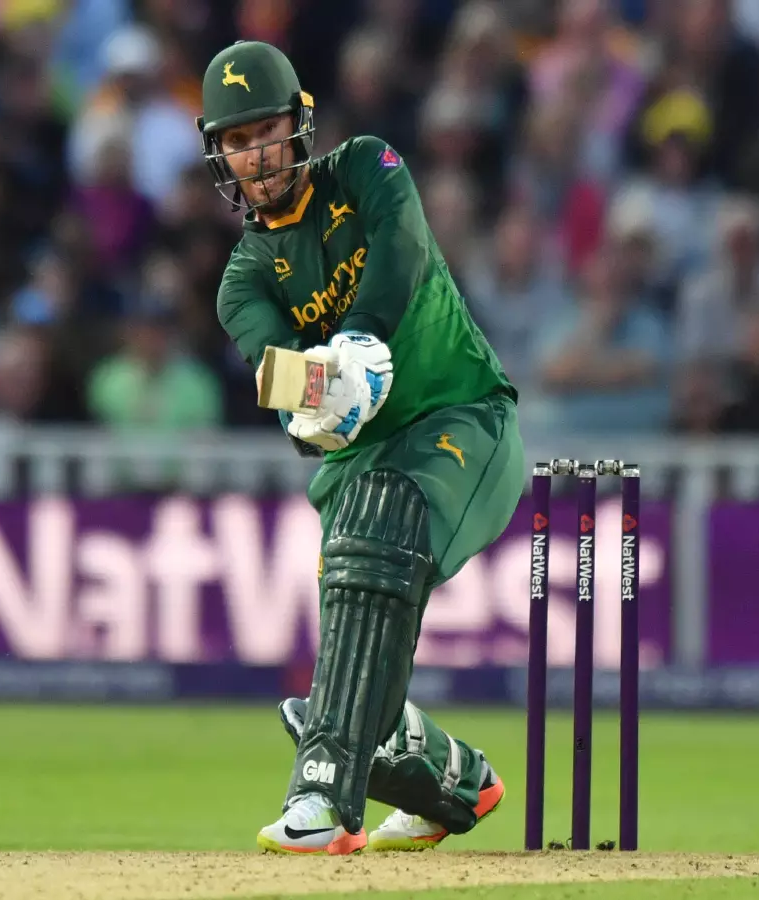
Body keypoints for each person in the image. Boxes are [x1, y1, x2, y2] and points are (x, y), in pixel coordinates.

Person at [198, 41, 523, 855]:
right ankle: (452, 777)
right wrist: (320, 407)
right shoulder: (242, 279)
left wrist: (360, 339)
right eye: (238, 141)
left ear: (299, 126)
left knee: (376, 538)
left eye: (267, 131)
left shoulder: (368, 165)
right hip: (359, 462)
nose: (257, 155)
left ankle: (323, 796)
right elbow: (277, 380)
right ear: (219, 153)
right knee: (359, 673)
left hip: (463, 419)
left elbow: (403, 249)